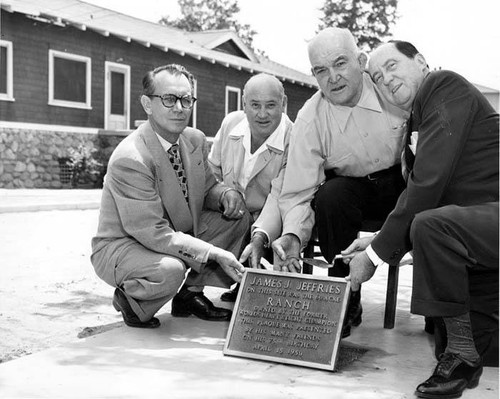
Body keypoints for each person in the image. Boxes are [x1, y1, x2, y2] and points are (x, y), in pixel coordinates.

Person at [344, 41, 499, 398]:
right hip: (475, 235)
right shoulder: (418, 116)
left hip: (489, 219)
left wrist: (373, 257)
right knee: (472, 344)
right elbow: (420, 188)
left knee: (429, 224)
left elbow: (426, 187)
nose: (387, 80)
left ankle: (461, 356)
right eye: (378, 78)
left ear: (421, 62)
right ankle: (463, 348)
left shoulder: (444, 86)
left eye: (393, 67)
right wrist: (378, 237)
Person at [91, 64, 250, 328]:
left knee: (236, 219)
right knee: (171, 270)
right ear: (147, 104)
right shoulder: (131, 158)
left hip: (173, 231)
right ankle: (132, 301)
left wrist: (226, 194)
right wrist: (214, 253)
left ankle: (190, 296)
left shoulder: (194, 139)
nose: (179, 107)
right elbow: (153, 232)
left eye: (186, 99)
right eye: (168, 99)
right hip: (125, 244)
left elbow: (207, 188)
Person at [272, 27, 407, 338]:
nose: (332, 77)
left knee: (430, 190)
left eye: (340, 63)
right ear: (313, 75)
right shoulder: (310, 117)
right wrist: (293, 235)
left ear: (361, 61)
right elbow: (298, 189)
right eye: (321, 70)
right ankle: (345, 294)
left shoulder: (391, 88)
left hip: (404, 182)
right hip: (354, 189)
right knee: (331, 195)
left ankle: (439, 306)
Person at [208, 73, 301, 302]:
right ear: (243, 103)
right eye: (255, 105)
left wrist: (258, 230)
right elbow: (212, 172)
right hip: (229, 209)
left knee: (243, 223)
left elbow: (282, 195)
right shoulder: (231, 122)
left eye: (271, 105)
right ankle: (192, 292)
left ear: (284, 104)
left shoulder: (296, 138)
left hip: (272, 216)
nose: (262, 114)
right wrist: (223, 195)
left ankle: (248, 281)